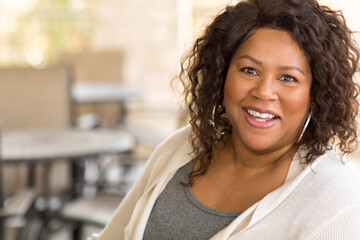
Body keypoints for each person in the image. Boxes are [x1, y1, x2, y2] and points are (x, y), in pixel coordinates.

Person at [90, 0, 360, 239]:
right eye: (249, 70)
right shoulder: (180, 147)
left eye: (288, 78)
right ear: (222, 76)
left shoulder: (337, 199)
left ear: (316, 94)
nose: (264, 91)